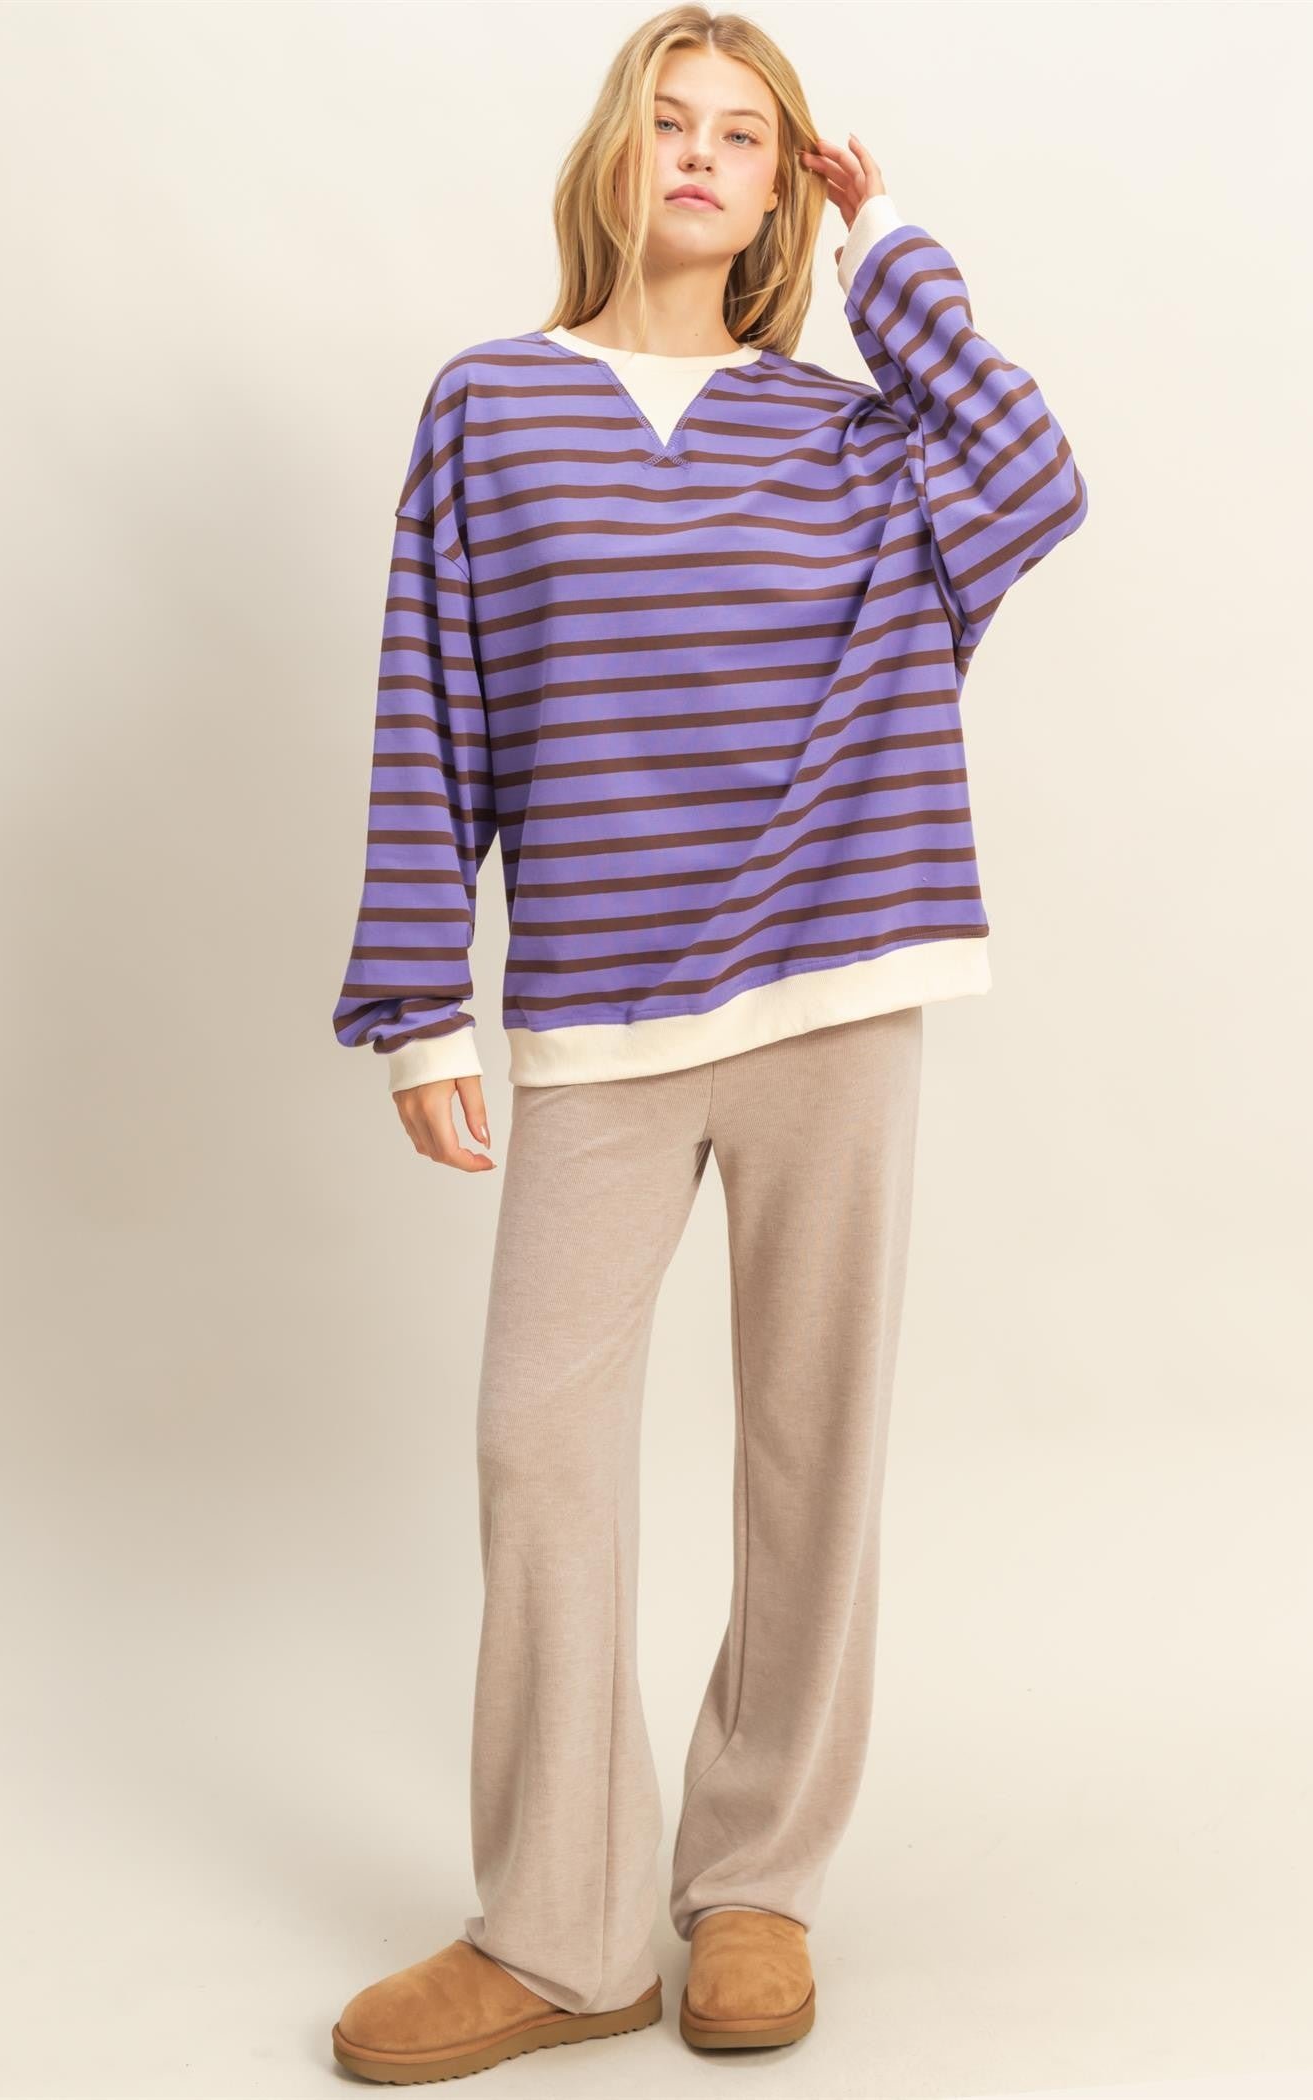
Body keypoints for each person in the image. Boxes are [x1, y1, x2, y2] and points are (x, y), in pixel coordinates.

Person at [328, 4, 1088, 2083]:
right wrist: (416, 1004)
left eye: (745, 135)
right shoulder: (492, 406)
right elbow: (433, 705)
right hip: (598, 1009)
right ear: (615, 154)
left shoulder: (854, 434)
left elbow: (1037, 473)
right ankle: (562, 1930)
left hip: (839, 985)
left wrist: (892, 244)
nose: (698, 152)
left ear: (781, 191)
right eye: (669, 120)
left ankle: (753, 1884)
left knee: (809, 1444)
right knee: (539, 1446)